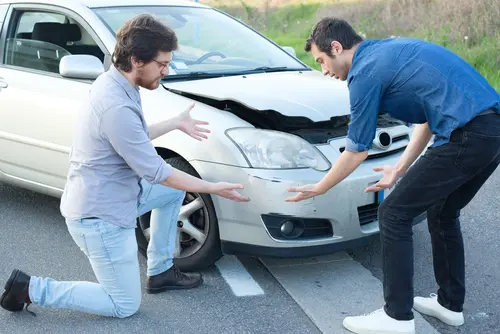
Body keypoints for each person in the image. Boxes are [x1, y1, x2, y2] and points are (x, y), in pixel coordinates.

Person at [0, 14, 249, 318]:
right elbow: (158, 171)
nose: (166, 70)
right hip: (100, 216)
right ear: (136, 60)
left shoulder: (117, 84)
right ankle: (31, 288)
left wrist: (175, 123)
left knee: (170, 196)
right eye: (161, 64)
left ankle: (160, 272)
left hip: (120, 192)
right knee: (123, 304)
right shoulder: (115, 103)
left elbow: (132, 137)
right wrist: (212, 188)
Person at [286, 17, 500, 334]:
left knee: (393, 213)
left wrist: (320, 187)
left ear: (336, 47)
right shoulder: (387, 51)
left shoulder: (363, 72)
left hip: (467, 135)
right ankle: (450, 305)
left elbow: (355, 150)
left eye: (322, 61)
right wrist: (398, 169)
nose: (325, 71)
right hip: (490, 131)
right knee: (442, 210)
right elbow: (428, 120)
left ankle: (396, 317)